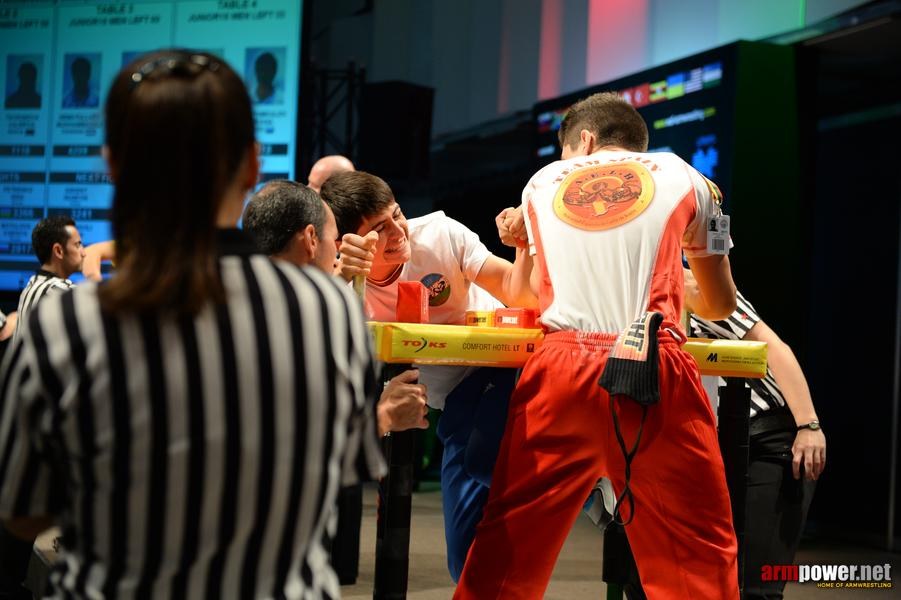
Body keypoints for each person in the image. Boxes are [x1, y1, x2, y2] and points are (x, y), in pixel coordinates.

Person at [0, 49, 383, 600]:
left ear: (113, 165)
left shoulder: (67, 322)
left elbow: (21, 511)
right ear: (253, 165)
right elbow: (345, 470)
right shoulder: (332, 312)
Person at [455, 91, 739, 599]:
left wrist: (521, 244)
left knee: (509, 546)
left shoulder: (541, 183)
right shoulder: (695, 182)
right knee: (696, 554)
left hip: (560, 372)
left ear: (583, 141)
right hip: (651, 365)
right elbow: (720, 305)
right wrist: (685, 282)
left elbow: (526, 295)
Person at [321, 170, 535, 582]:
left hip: (506, 371)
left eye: (396, 214)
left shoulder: (439, 233)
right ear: (348, 240)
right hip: (451, 405)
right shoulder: (344, 279)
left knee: (480, 453)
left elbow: (516, 289)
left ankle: (584, 486)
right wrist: (341, 278)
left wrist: (524, 245)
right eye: (378, 229)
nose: (397, 231)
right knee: (463, 562)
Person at [243, 178, 430, 436]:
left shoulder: (231, 305)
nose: (338, 259)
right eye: (334, 242)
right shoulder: (299, 324)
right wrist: (385, 416)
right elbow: (306, 440)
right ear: (311, 239)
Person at [686, 276, 826, 600]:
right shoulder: (620, 303)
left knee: (757, 590)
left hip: (767, 442)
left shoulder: (693, 288)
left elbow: (774, 347)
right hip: (702, 453)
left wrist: (809, 426)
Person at [14, 215, 85, 340]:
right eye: (77, 245)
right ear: (58, 251)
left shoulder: (32, 285)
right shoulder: (61, 292)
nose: (84, 252)